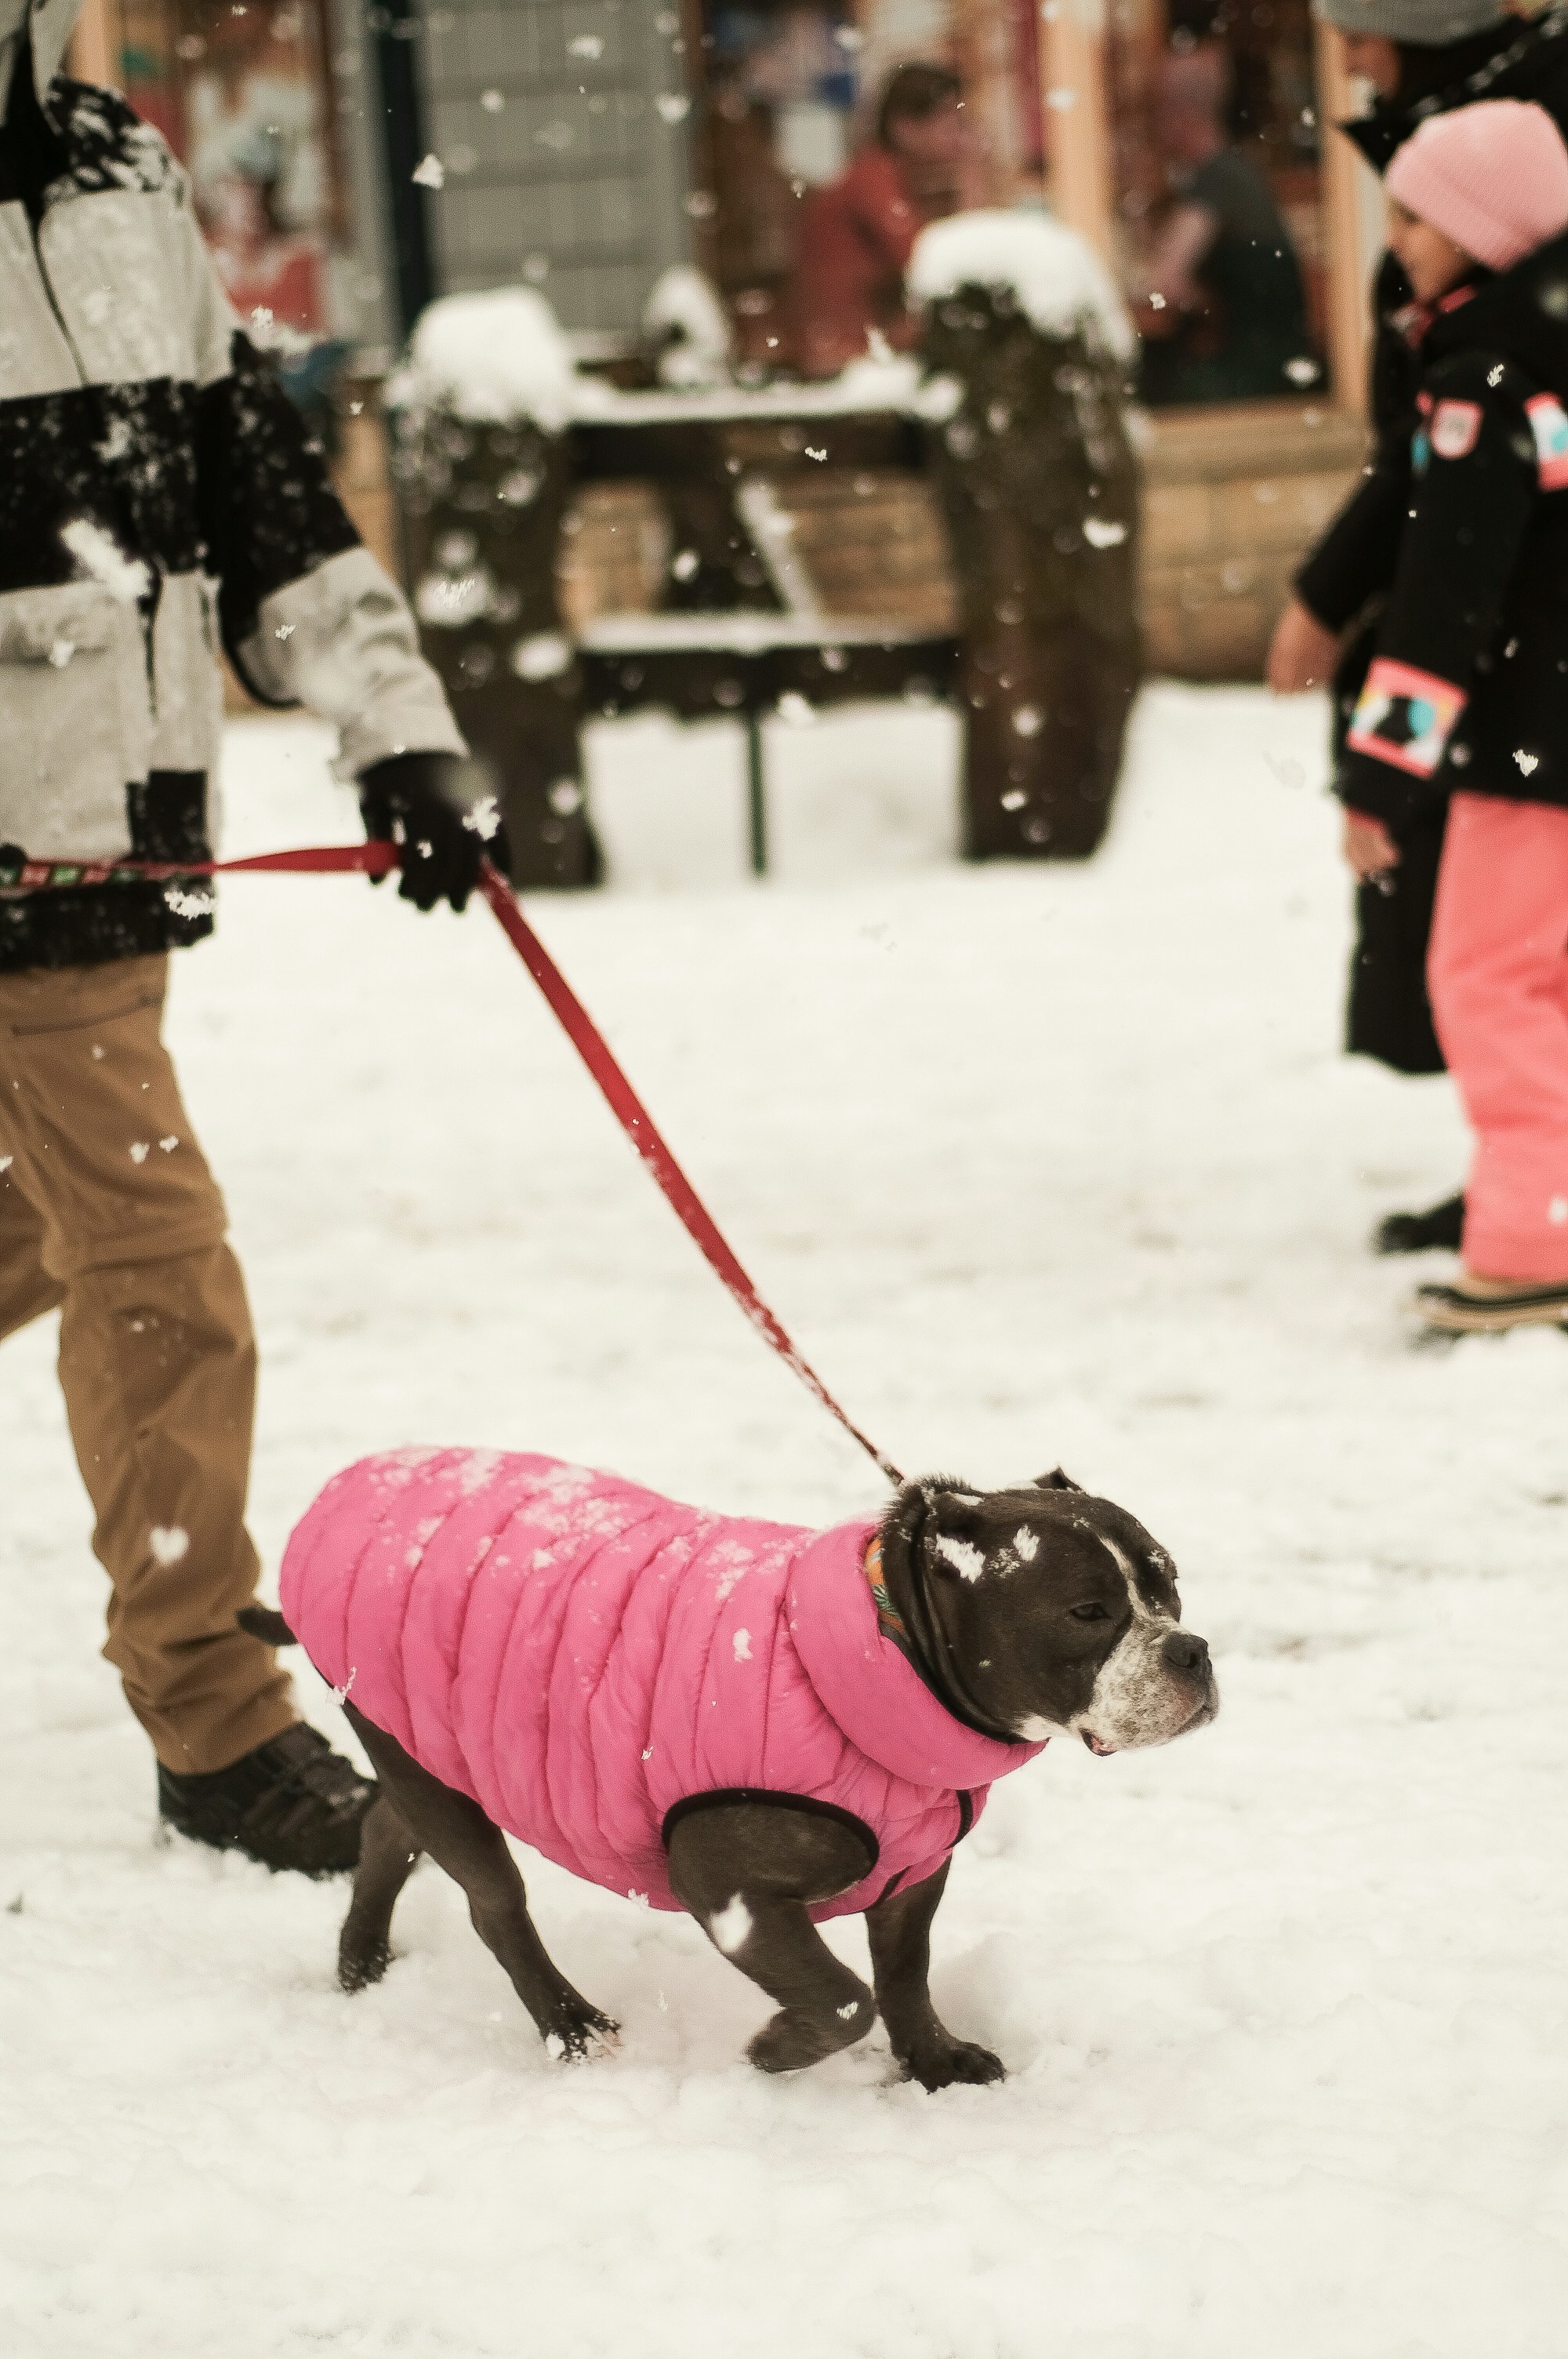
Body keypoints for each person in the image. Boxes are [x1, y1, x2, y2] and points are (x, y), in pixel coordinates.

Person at [0, 2, 504, 1871]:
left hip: (98, 851)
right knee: (155, 1262)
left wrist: (396, 725)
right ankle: (214, 1719)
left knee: (49, 1225)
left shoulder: (119, 168)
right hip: (16, 871)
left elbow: (249, 480)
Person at [1269, 0, 1568, 1253]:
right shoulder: (1539, 365)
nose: (1392, 244)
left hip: (1521, 739)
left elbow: (1447, 604)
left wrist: (1378, 778)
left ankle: (1533, 1237)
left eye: (1409, 217)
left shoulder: (1476, 389)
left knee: (1493, 983)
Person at [1131, 43, 1315, 407]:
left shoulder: (1219, 179)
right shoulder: (1231, 170)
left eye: (1155, 113)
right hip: (1275, 356)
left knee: (1156, 391)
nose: (1152, 127)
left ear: (1181, 115)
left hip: (1261, 368)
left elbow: (1162, 283)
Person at [786, 60, 983, 379]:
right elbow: (936, 268)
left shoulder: (889, 176)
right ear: (904, 130)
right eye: (952, 123)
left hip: (861, 357)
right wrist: (974, 184)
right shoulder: (872, 178)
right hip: (844, 364)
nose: (963, 137)